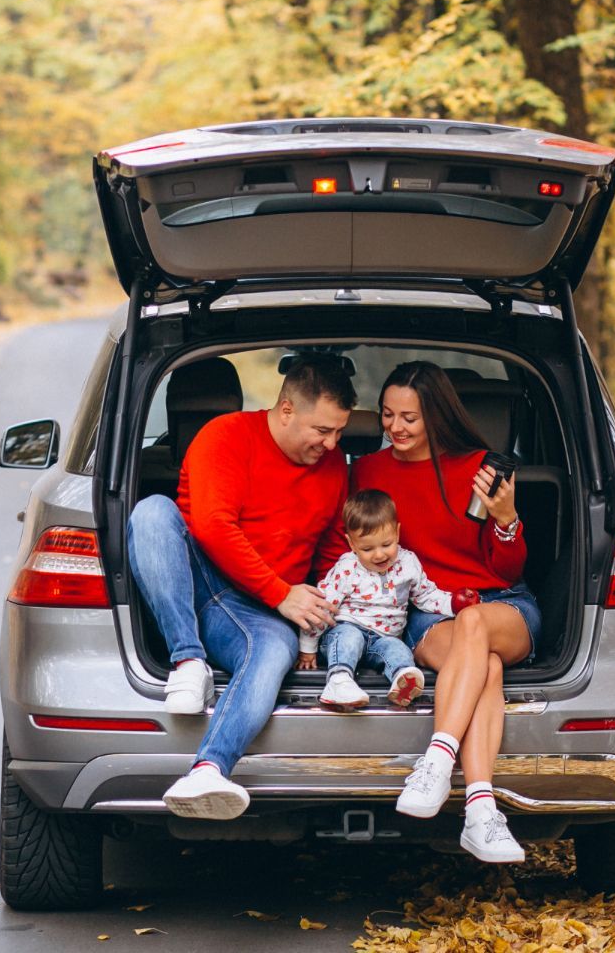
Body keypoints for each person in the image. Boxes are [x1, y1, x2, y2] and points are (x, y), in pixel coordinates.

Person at [323, 360, 541, 863]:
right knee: (483, 666)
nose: (395, 428)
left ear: (436, 417)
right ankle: (482, 812)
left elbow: (506, 571)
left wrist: (506, 519)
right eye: (387, 415)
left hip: (501, 604)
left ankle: (438, 760)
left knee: (475, 623)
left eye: (409, 418)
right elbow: (350, 546)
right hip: (427, 612)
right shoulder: (369, 472)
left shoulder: (482, 467)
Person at [126, 356, 355, 820]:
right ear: (286, 409)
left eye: (339, 433)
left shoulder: (334, 469)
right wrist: (282, 593)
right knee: (151, 512)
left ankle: (208, 769)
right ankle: (187, 660)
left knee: (273, 653)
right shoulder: (225, 436)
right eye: (322, 430)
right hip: (196, 577)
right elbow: (212, 527)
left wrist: (328, 612)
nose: (332, 445)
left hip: (259, 611)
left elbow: (333, 551)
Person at [298, 489, 445, 711]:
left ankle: (403, 680)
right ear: (352, 544)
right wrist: (308, 646)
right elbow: (322, 606)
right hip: (347, 628)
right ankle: (339, 680)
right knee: (348, 639)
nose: (379, 555)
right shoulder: (347, 567)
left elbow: (426, 595)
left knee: (398, 649)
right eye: (367, 549)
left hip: (384, 638)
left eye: (386, 545)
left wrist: (453, 604)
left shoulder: (408, 564)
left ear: (397, 532)